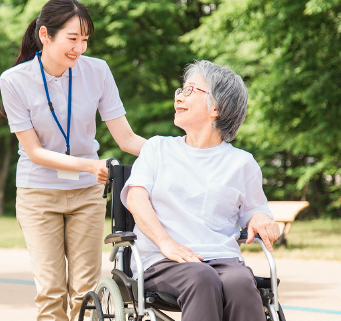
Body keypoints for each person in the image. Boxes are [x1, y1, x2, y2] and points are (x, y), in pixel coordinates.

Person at [0, 0, 146, 320]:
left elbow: (126, 139)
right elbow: (35, 152)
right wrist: (90, 165)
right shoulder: (13, 80)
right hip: (38, 193)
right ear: (45, 35)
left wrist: (176, 153)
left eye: (85, 39)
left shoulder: (98, 70)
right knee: (50, 291)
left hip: (86, 194)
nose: (79, 48)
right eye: (72, 38)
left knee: (85, 292)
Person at [120, 60, 280, 321]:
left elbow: (255, 209)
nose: (179, 97)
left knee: (241, 284)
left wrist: (262, 220)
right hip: (162, 260)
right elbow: (137, 199)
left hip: (222, 259)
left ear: (216, 107)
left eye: (190, 90)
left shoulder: (242, 163)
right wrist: (166, 243)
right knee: (202, 277)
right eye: (180, 90)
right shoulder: (157, 149)